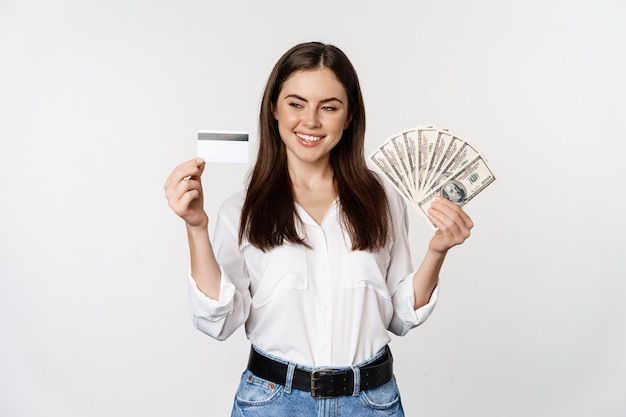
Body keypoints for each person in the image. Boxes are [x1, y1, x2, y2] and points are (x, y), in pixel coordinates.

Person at [164, 41, 473, 416]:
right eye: (296, 104)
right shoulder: (241, 209)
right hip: (273, 404)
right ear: (274, 109)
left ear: (349, 116)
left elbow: (400, 316)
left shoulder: (383, 199)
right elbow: (220, 322)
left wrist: (437, 251)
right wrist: (196, 226)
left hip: (371, 402)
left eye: (328, 107)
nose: (310, 121)